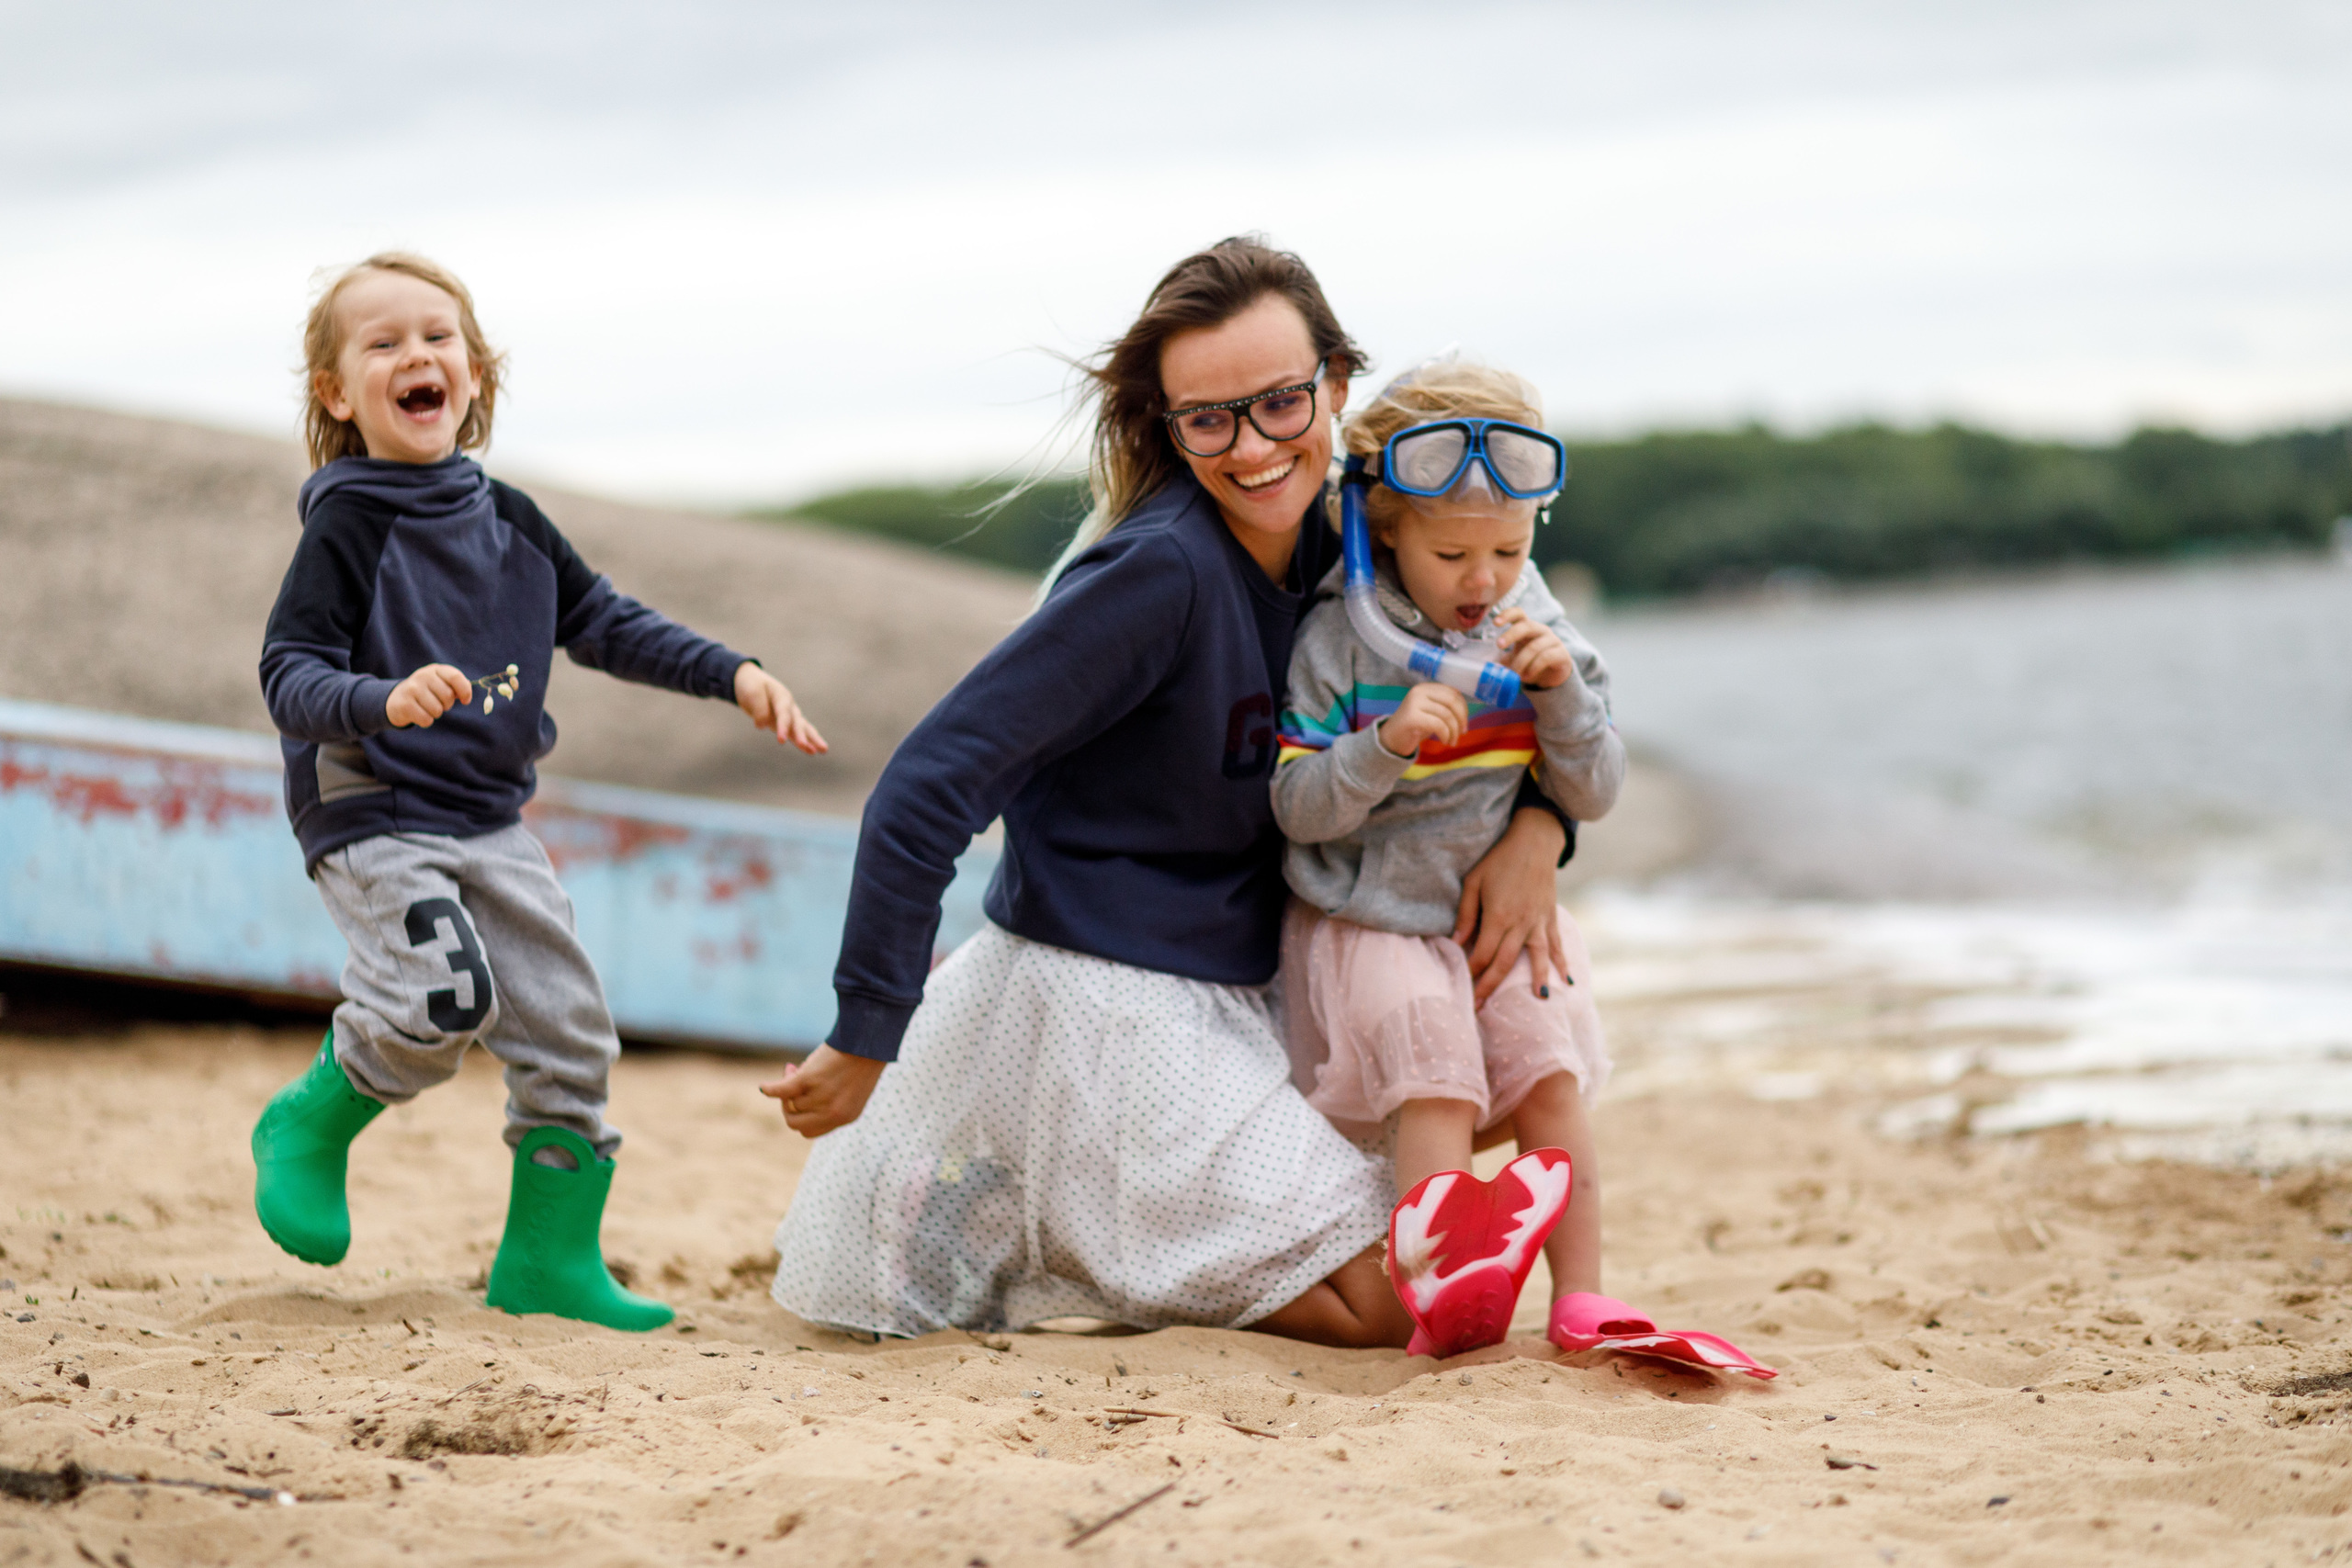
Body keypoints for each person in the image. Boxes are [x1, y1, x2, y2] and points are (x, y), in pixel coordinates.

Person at [762, 237, 1573, 1348]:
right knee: (1392, 1301)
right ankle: (1063, 1224)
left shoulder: (1373, 536)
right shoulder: (1152, 574)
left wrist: (1543, 823)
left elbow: (1549, 679)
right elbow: (925, 785)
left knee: (1503, 1072)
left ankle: (1069, 1207)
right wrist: (867, 1033)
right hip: (1113, 986)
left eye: (1282, 403)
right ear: (1169, 426)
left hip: (1263, 969)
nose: (1251, 447)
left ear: (1337, 384)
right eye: (1209, 419)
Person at [250, 252, 826, 1331]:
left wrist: (731, 672)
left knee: (568, 1030)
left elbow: (606, 619)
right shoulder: (348, 525)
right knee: (438, 1001)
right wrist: (379, 699)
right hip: (370, 804)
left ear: (474, 374)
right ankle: (308, 1124)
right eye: (383, 343)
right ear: (337, 395)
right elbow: (289, 674)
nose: (417, 354)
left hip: (484, 812)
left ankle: (546, 1266)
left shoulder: (507, 517)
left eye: (438, 336)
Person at [1271, 359, 1621, 1357]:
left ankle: (1581, 1296)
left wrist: (1564, 702)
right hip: (1375, 916)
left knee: (1546, 1072)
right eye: (1453, 552)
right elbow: (1297, 810)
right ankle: (1446, 1298)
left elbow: (1594, 789)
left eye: (1508, 551)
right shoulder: (1338, 644)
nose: (1483, 582)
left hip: (1501, 919)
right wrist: (1380, 748)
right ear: (1385, 527)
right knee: (1437, 1083)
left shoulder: (1538, 635)